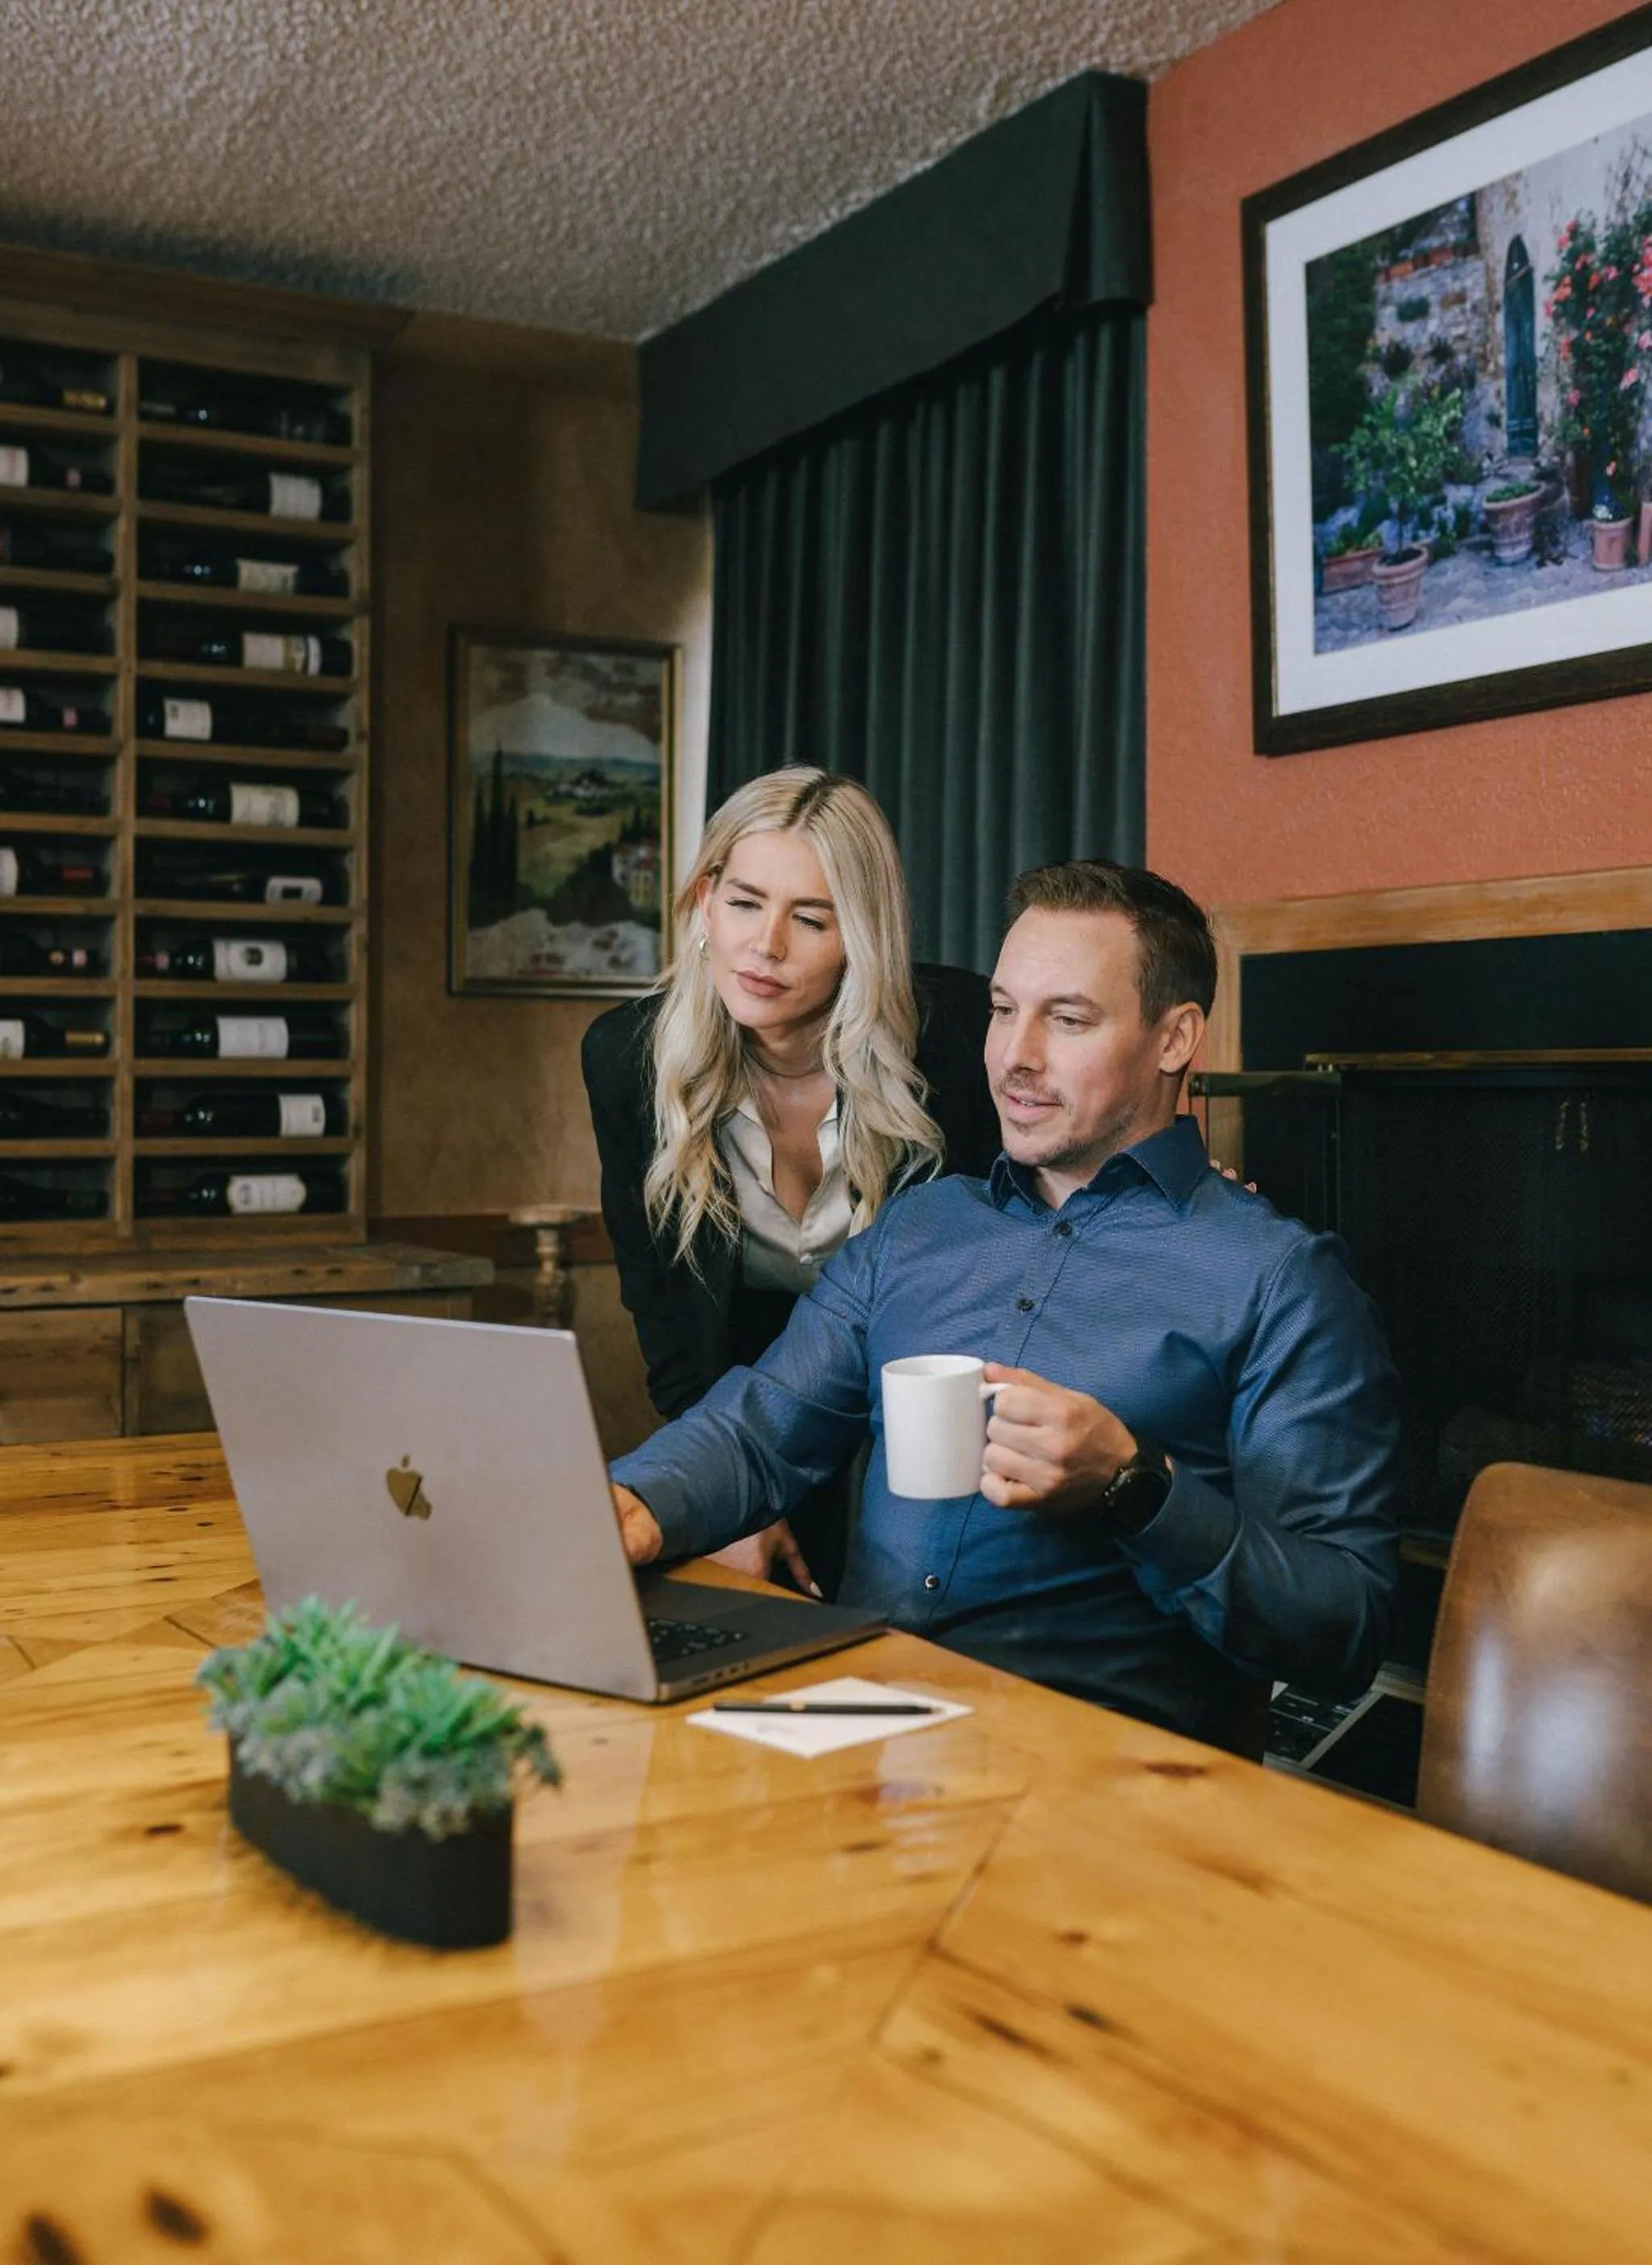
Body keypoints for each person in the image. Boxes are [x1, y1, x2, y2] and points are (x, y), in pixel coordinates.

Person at [608, 858, 1401, 1749]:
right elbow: (758, 1428)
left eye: (1065, 1020)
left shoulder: (1277, 1280)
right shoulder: (919, 1227)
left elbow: (1343, 1631)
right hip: (859, 1727)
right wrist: (623, 1510)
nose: (1014, 1057)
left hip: (1097, 1772)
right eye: (1001, 1010)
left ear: (1174, 1039)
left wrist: (1137, 1491)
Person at [582, 767, 999, 1596]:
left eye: (809, 919)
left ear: (863, 935)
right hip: (745, 1399)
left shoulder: (962, 1035)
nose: (763, 946)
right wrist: (727, 1502)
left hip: (928, 1410)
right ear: (703, 901)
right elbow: (663, 1312)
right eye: (742, 903)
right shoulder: (624, 1057)